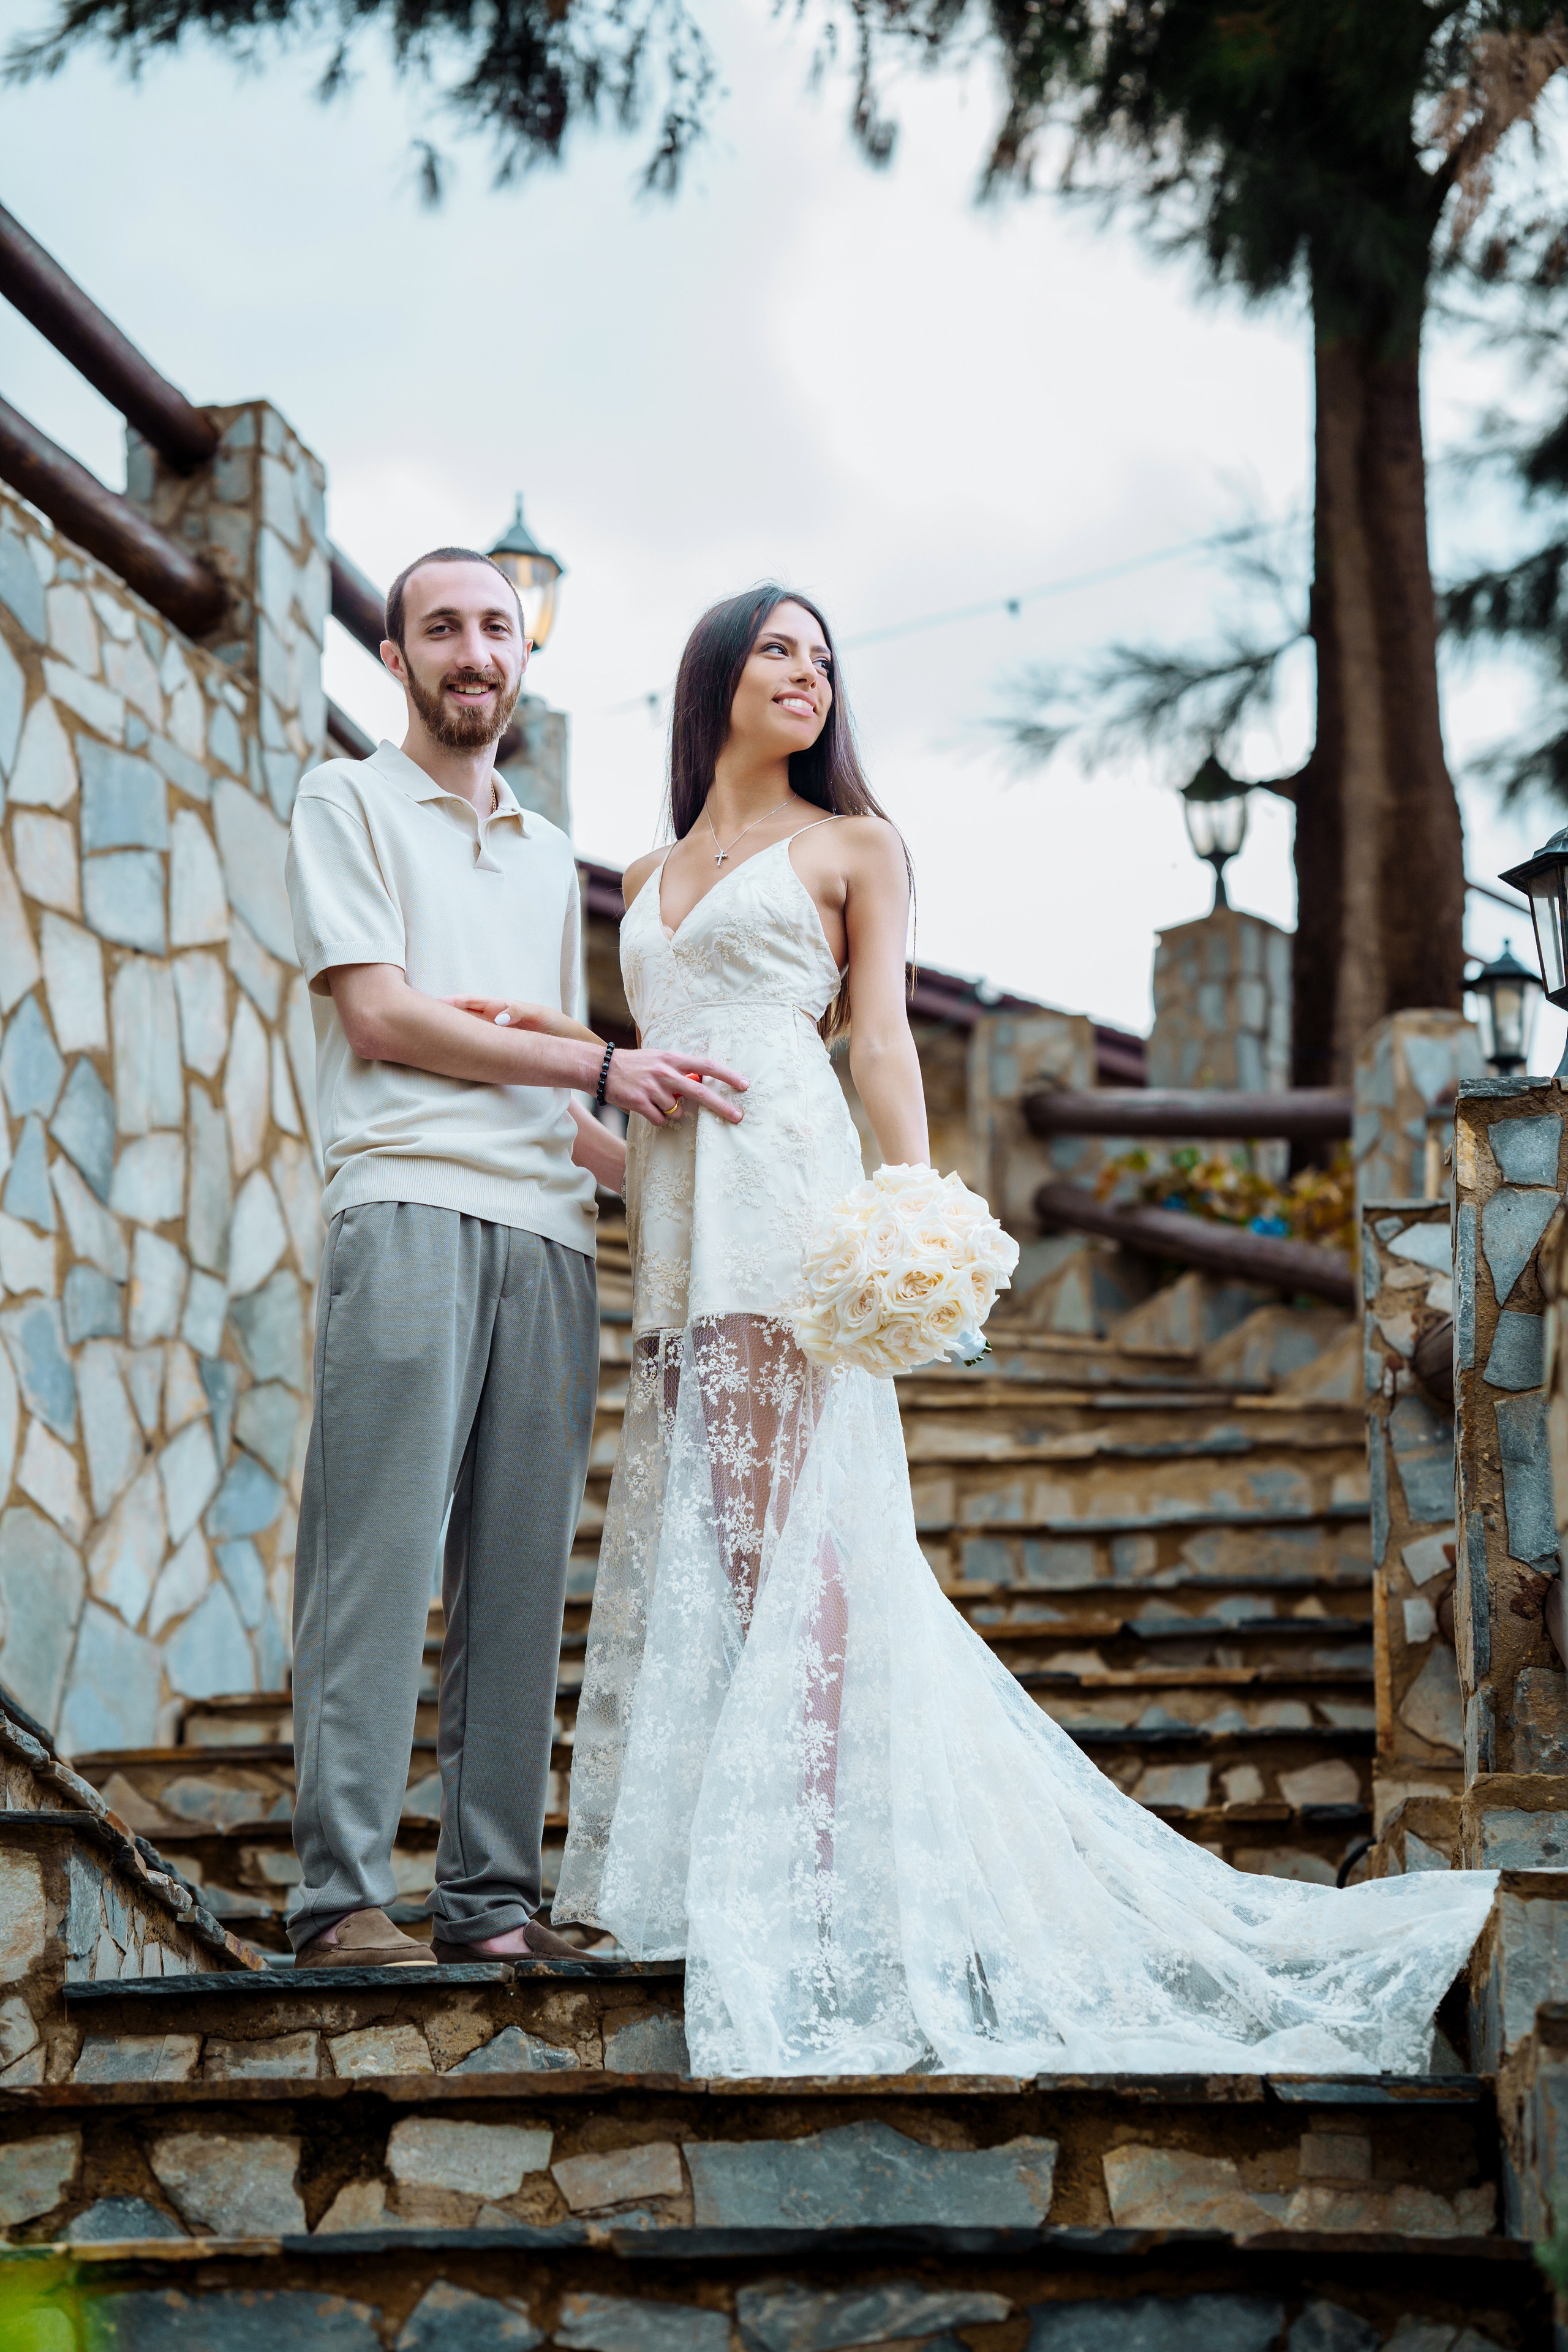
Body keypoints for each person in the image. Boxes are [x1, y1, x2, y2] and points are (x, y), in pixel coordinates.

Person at [477, 584, 1495, 2075]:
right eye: (777, 652)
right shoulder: (643, 872)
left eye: (823, 660)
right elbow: (656, 1087)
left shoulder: (853, 846)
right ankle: (773, 1847)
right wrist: (581, 1134)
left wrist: (911, 1211)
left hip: (792, 1200)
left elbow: (879, 1035)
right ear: (712, 679)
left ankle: (806, 1860)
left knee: (801, 1547)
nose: (806, 678)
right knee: (732, 1540)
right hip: (686, 1229)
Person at [282, 545, 746, 1970]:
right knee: (375, 1561)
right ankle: (340, 1898)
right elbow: (383, 1018)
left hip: (548, 1236)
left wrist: (668, 1177)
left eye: (494, 628)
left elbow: (546, 1073)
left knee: (523, 1574)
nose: (472, 652)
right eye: (441, 629)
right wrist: (606, 1062)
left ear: (521, 658)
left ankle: (490, 1902)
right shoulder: (344, 797)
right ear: (396, 658)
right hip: (408, 1202)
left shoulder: (550, 848)